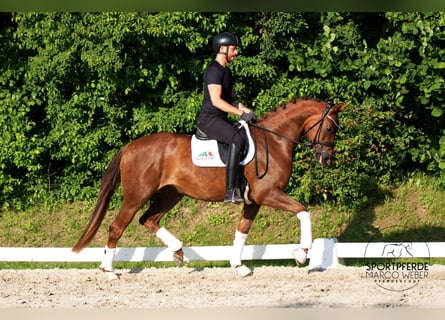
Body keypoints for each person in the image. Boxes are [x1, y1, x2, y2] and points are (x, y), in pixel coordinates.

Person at [196, 32, 256, 204]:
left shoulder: (226, 72)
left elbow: (232, 100)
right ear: (223, 48)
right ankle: (230, 191)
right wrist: (240, 114)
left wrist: (248, 111)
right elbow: (216, 100)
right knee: (237, 139)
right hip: (209, 119)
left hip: (220, 119)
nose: (236, 53)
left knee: (246, 133)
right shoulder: (213, 70)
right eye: (233, 49)